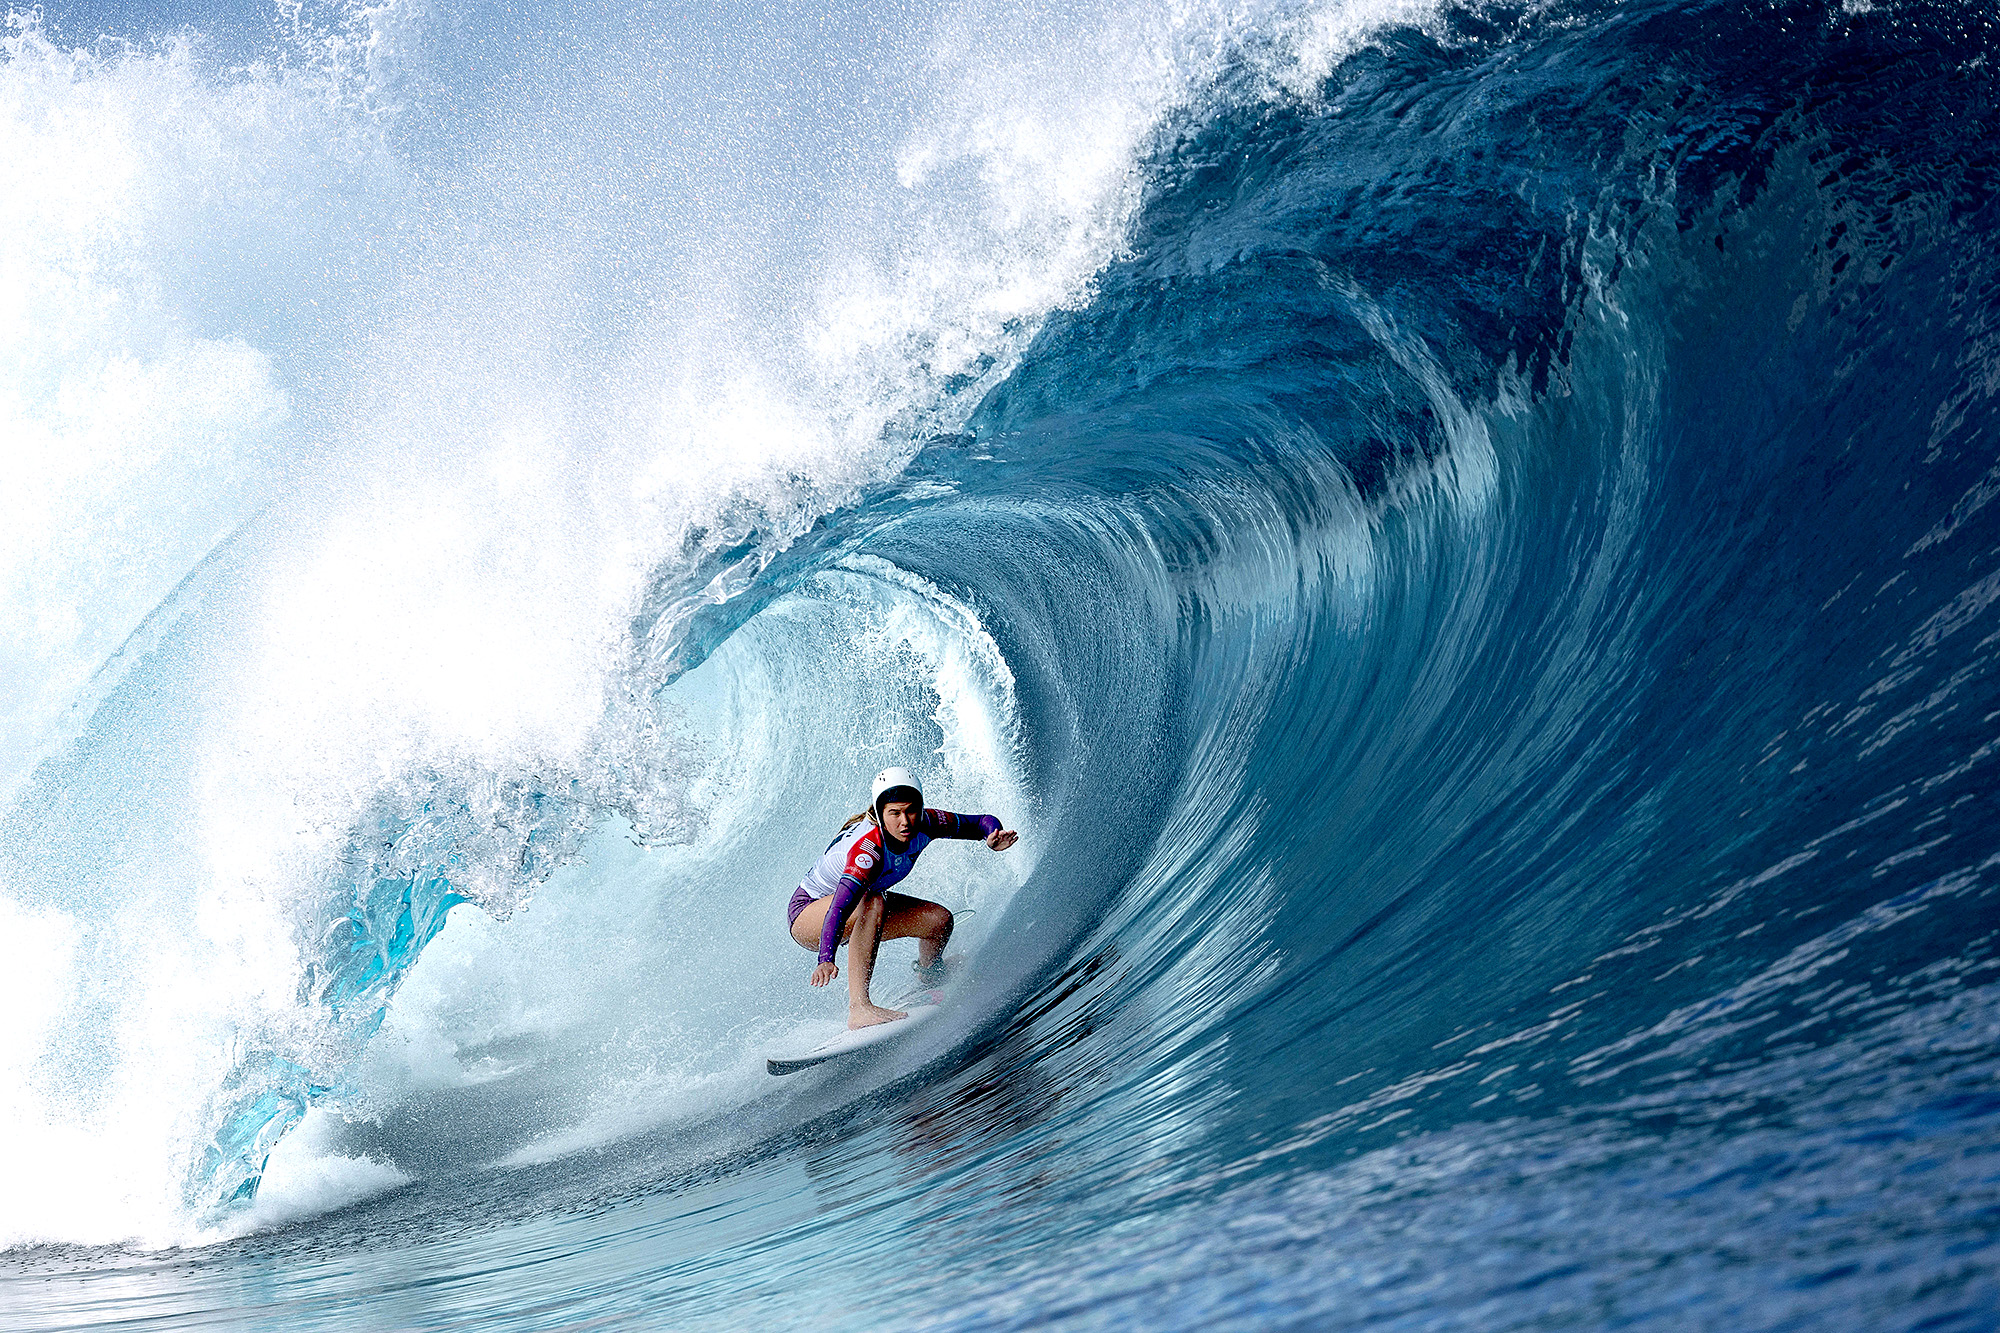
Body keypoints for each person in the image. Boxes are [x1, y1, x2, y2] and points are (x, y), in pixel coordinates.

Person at [788, 767, 1018, 1029]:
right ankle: (859, 1008)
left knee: (938, 921)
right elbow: (839, 908)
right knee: (872, 900)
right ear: (879, 814)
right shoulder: (867, 852)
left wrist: (992, 835)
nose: (905, 822)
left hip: (854, 908)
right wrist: (825, 958)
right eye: (894, 813)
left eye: (910, 810)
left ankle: (930, 974)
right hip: (809, 916)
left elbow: (979, 823)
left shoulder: (927, 822)